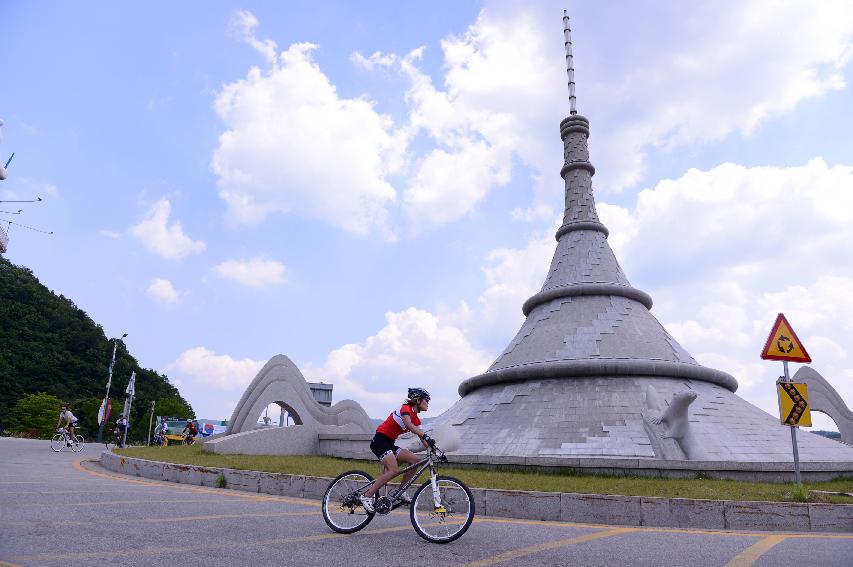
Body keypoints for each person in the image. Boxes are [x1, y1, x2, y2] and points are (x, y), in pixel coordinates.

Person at [360, 387, 432, 513]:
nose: (428, 403)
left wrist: (435, 448)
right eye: (426, 400)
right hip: (380, 440)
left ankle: (400, 491)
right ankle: (366, 496)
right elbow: (409, 424)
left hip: (390, 443)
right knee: (393, 470)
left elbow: (422, 437)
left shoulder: (417, 419)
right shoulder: (406, 408)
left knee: (415, 460)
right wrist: (423, 434)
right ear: (418, 400)